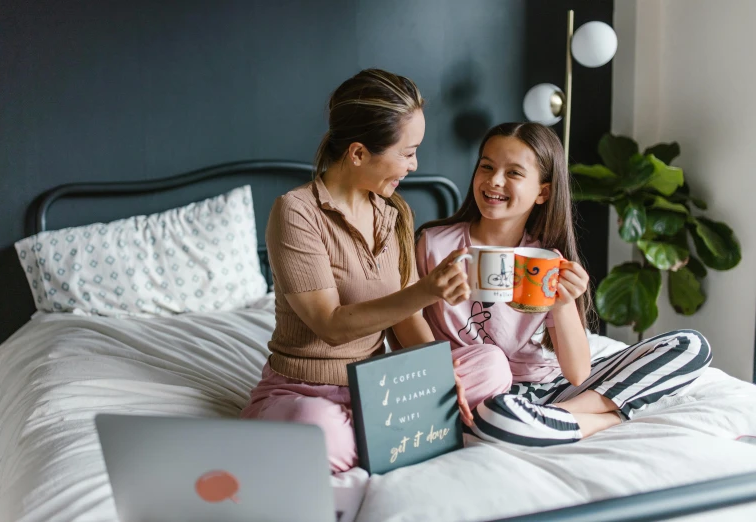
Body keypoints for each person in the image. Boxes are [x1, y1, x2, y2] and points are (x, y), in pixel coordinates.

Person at [240, 69, 511, 472]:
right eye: (407, 152)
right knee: (317, 431)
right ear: (358, 153)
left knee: (492, 364)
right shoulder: (296, 212)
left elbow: (406, 322)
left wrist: (437, 373)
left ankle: (380, 436)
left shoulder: (395, 213)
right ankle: (395, 437)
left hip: (379, 389)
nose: (415, 165)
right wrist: (430, 289)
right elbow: (330, 325)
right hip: (304, 391)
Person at [416, 122, 712, 447]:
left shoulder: (545, 260)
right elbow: (411, 329)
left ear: (543, 191)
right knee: (494, 412)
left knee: (691, 346)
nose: (494, 180)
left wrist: (564, 301)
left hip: (548, 389)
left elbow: (577, 374)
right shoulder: (434, 245)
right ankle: (607, 418)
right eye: (486, 166)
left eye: (513, 173)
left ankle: (558, 416)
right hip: (477, 388)